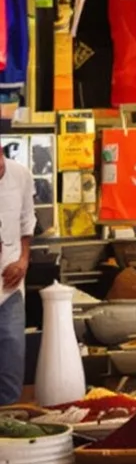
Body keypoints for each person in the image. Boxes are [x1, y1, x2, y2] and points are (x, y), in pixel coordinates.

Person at [0, 149, 35, 406]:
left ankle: (7, 423)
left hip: (8, 286)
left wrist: (23, 260)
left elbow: (26, 222)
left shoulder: (21, 175)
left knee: (12, 352)